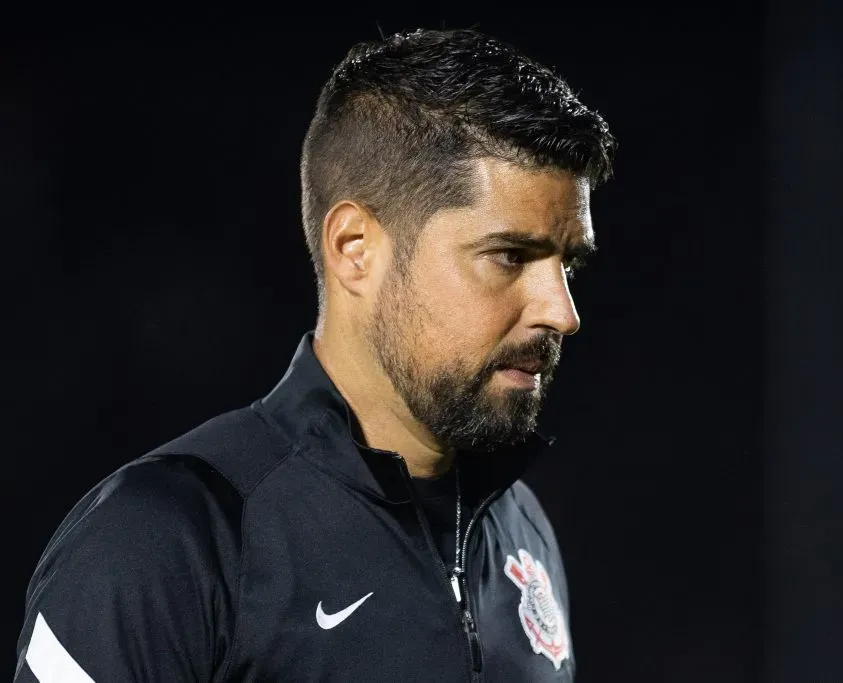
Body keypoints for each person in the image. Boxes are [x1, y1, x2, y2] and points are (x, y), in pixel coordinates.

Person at [14, 27, 615, 682]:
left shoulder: (521, 530)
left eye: (567, 266)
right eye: (510, 256)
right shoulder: (162, 542)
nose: (562, 312)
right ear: (356, 249)